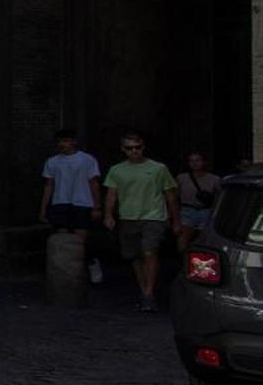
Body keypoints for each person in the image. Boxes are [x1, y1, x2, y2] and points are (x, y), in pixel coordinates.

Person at [103, 133, 180, 312]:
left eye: (137, 147)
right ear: (124, 150)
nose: (134, 151)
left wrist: (176, 220)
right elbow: (111, 194)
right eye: (130, 148)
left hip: (153, 217)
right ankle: (144, 288)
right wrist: (108, 215)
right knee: (135, 256)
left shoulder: (159, 168)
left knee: (149, 251)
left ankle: (148, 292)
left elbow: (170, 195)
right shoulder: (117, 170)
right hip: (128, 217)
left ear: (143, 147)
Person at [39, 128, 104, 284]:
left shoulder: (87, 160)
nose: (63, 144)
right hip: (60, 202)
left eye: (67, 141)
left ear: (74, 141)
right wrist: (43, 208)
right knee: (63, 239)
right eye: (61, 141)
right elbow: (48, 185)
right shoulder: (52, 161)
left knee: (80, 240)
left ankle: (90, 263)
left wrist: (97, 206)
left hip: (82, 202)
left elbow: (94, 183)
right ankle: (68, 273)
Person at [176, 151, 223, 254]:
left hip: (206, 211)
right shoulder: (181, 178)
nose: (195, 163)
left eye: (198, 160)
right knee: (184, 238)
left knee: (205, 241)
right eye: (191, 161)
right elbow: (176, 196)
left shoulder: (214, 179)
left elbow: (219, 198)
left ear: (204, 162)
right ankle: (183, 262)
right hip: (187, 210)